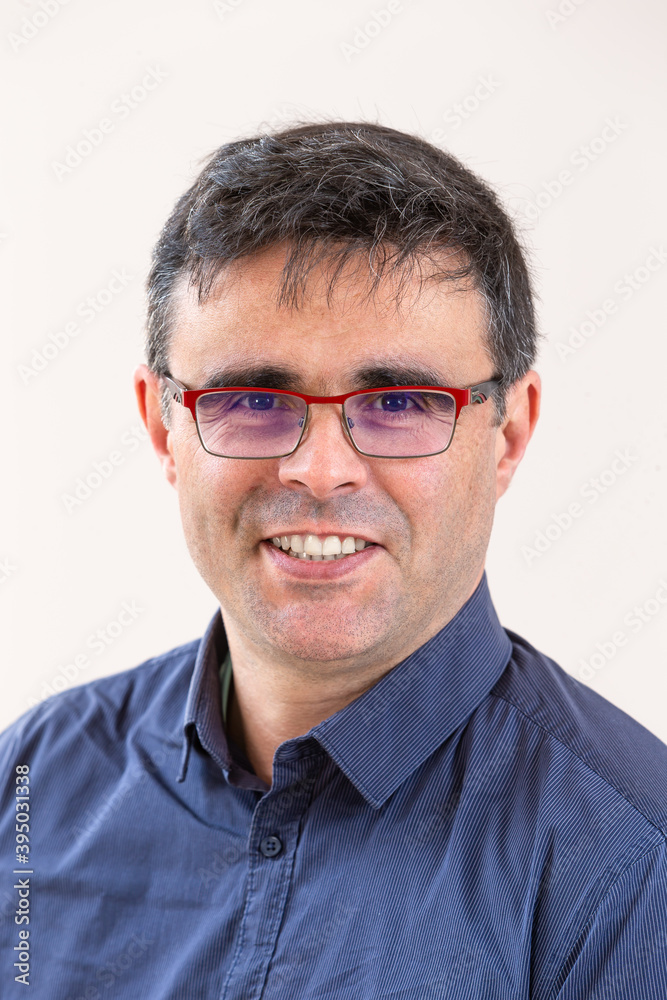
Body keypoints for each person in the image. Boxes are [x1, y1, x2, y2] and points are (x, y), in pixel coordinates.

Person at [1, 121, 666, 999]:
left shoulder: (630, 865)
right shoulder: (33, 783)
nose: (318, 470)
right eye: (250, 398)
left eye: (398, 402)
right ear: (163, 425)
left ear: (508, 432)